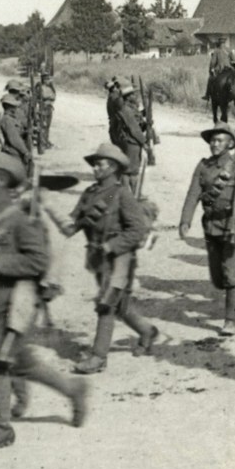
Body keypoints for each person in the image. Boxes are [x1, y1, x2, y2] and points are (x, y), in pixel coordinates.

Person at [0, 150, 88, 450]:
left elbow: (38, 262)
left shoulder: (20, 218)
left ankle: (1, 428)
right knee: (18, 360)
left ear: (1, 180)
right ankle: (72, 389)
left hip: (16, 302)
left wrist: (0, 258)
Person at [62, 141, 159, 373]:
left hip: (121, 259)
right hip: (98, 258)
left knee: (106, 304)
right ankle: (147, 332)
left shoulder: (122, 194)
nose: (96, 169)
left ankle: (98, 357)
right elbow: (76, 220)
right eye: (94, 165)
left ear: (114, 167)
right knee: (120, 306)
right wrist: (64, 225)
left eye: (101, 164)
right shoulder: (89, 193)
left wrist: (112, 245)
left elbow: (136, 230)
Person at [177, 125, 235, 335]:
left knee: (232, 275)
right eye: (213, 140)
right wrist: (185, 221)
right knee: (218, 278)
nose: (215, 144)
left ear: (230, 144)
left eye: (220, 140)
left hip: (232, 225)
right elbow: (193, 194)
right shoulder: (203, 166)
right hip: (210, 226)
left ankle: (231, 319)